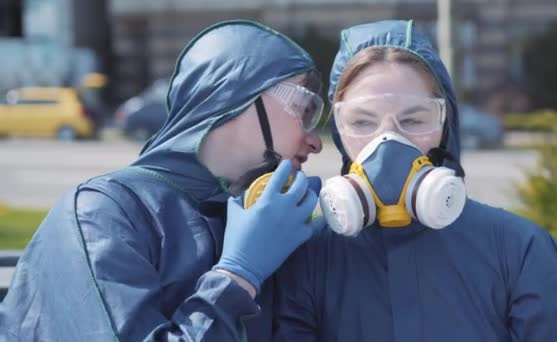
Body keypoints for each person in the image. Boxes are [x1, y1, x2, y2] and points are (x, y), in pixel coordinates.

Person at [273, 19, 557, 341]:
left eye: (414, 119)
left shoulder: (522, 252)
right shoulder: (309, 260)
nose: (387, 141)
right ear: (339, 133)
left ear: (445, 126)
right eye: (361, 122)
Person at [0, 20, 327, 341]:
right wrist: (238, 276)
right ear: (236, 95)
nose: (316, 141)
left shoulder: (263, 223)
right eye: (305, 110)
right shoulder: (101, 213)